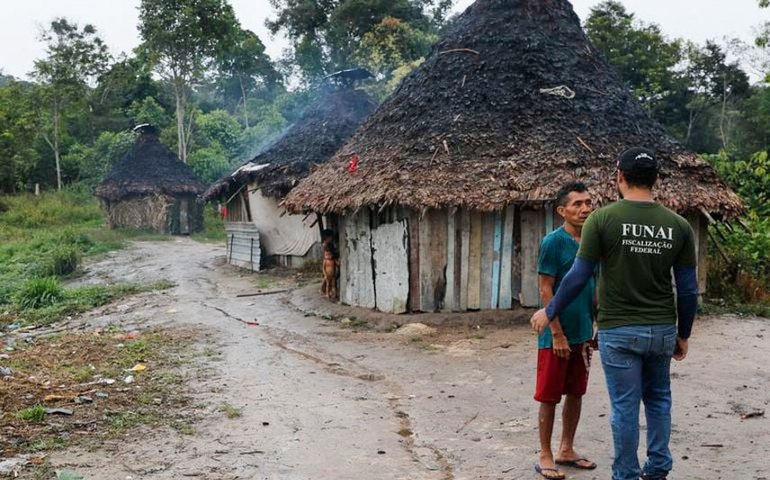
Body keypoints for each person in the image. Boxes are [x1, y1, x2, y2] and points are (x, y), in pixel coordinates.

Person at [530, 147, 699, 480]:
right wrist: (684, 333)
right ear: (656, 180)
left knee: (624, 405)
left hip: (618, 330)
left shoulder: (602, 220)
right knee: (659, 399)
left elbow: (578, 276)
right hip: (662, 327)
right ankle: (659, 467)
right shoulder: (678, 226)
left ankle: (625, 473)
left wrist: (550, 310)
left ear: (619, 177)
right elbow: (689, 289)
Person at [534, 182, 597, 480]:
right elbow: (545, 290)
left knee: (576, 392)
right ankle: (545, 453)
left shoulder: (592, 240)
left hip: (584, 331)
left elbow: (595, 286)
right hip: (556, 335)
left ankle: (566, 448)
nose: (585, 208)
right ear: (562, 210)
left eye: (588, 203)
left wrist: (597, 325)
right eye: (577, 204)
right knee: (549, 395)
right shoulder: (553, 242)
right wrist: (557, 333)